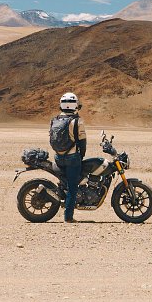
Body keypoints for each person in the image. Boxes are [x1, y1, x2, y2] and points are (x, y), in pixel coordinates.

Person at [49, 92, 87, 223]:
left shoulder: (55, 120)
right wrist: (81, 156)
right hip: (72, 158)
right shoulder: (77, 121)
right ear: (75, 105)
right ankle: (68, 217)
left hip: (58, 157)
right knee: (73, 187)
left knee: (66, 183)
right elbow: (82, 142)